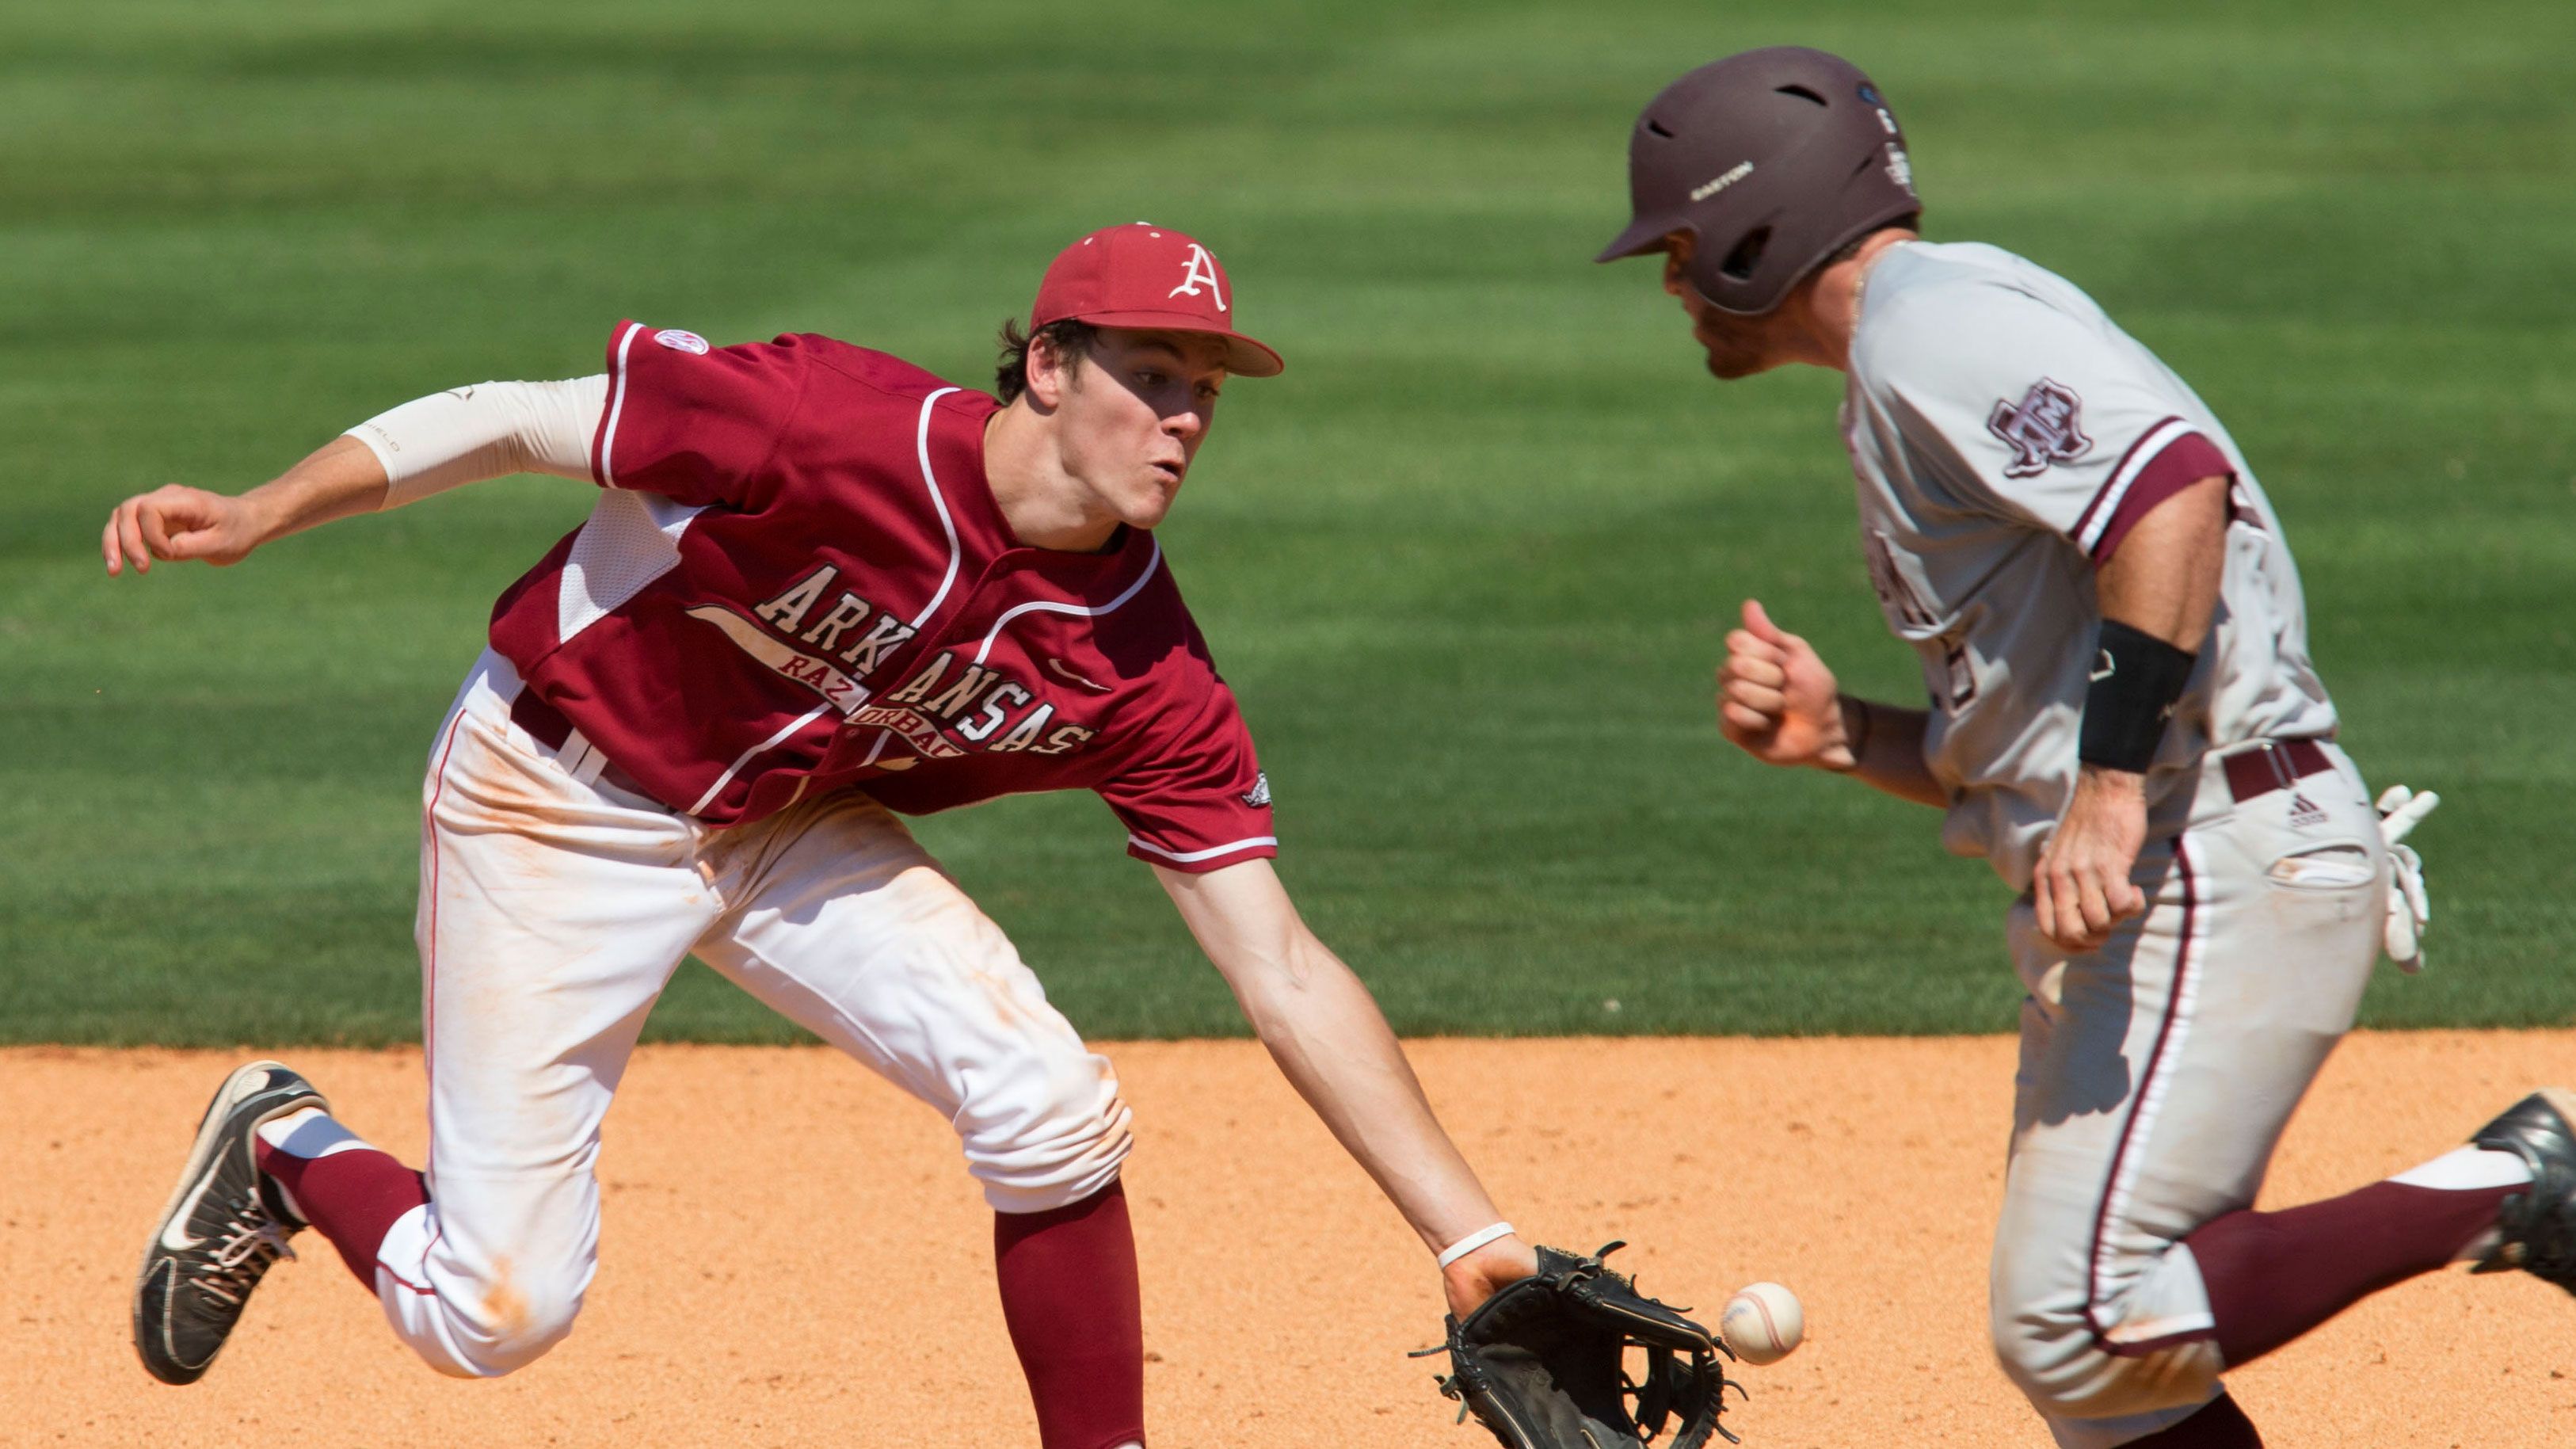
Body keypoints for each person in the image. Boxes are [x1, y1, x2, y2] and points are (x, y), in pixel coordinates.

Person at [113, 222, 1541, 1448]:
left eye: (1205, 390)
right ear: (1047, 365)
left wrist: (1474, 1239)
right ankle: (284, 1143)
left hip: (789, 825)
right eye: (1150, 376)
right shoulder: (822, 423)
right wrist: (265, 508)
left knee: (1052, 1107)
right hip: (558, 799)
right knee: (491, 1314)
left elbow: (1279, 963)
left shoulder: (1146, 666)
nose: (1182, 417)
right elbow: (517, 415)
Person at [1595, 48, 2574, 1449]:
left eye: (1683, 247)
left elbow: (2171, 490)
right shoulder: (1902, 363)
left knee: (2080, 1319)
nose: (1674, 284)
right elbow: (2029, 730)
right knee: (2104, 1382)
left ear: (1764, 224)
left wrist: (2114, 788)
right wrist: (1842, 735)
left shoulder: (1933, 325)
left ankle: (2512, 1181)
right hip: (2161, 870)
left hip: (2210, 852)